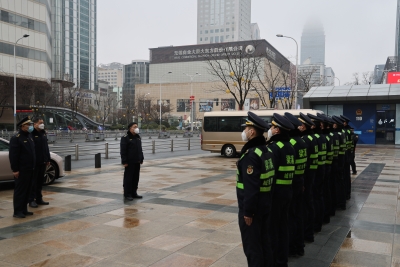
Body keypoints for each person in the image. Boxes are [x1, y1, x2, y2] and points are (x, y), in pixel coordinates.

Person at [237, 111, 274, 266]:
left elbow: (251, 187)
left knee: (252, 247)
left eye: (246, 128)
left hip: (253, 209)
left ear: (252, 132)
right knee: (264, 242)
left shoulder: (251, 155)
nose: (244, 131)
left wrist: (248, 211)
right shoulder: (266, 150)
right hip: (265, 204)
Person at [266, 113, 295, 267]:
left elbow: (270, 174)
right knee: (283, 227)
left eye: (272, 127)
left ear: (277, 130)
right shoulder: (290, 147)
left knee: (273, 229)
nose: (270, 129)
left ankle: (274, 260)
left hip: (275, 195)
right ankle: (282, 260)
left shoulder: (273, 148)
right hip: (287, 192)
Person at [284, 112, 308, 257]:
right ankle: (299, 245)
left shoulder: (291, 143)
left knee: (290, 218)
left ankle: (293, 246)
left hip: (291, 185)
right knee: (298, 215)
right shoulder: (302, 141)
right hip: (299, 182)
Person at [8, 117, 36, 218]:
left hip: (30, 168)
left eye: (30, 125)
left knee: (27, 190)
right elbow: (13, 156)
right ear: (23, 126)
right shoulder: (16, 138)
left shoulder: (29, 136)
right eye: (28, 125)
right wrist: (15, 170)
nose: (30, 127)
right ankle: (17, 211)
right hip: (22, 169)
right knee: (20, 191)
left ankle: (24, 209)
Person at [307, 113, 326, 233]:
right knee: (319, 197)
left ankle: (314, 225)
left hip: (313, 174)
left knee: (313, 200)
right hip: (321, 170)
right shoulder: (322, 137)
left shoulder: (311, 139)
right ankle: (320, 221)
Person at [28, 117, 51, 208]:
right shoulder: (31, 134)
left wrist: (47, 159)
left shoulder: (43, 133)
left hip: (42, 161)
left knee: (40, 181)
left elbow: (45, 147)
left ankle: (39, 198)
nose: (42, 124)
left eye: (43, 122)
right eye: (40, 122)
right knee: (33, 182)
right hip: (34, 162)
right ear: (35, 124)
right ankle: (31, 200)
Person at [120, 122, 144, 201]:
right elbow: (123, 151)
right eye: (135, 126)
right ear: (130, 128)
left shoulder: (138, 137)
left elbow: (140, 149)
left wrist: (141, 158)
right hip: (129, 162)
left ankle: (134, 192)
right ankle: (127, 194)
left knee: (136, 178)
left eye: (137, 126)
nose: (136, 128)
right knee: (128, 178)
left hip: (137, 161)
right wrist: (124, 161)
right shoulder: (125, 138)